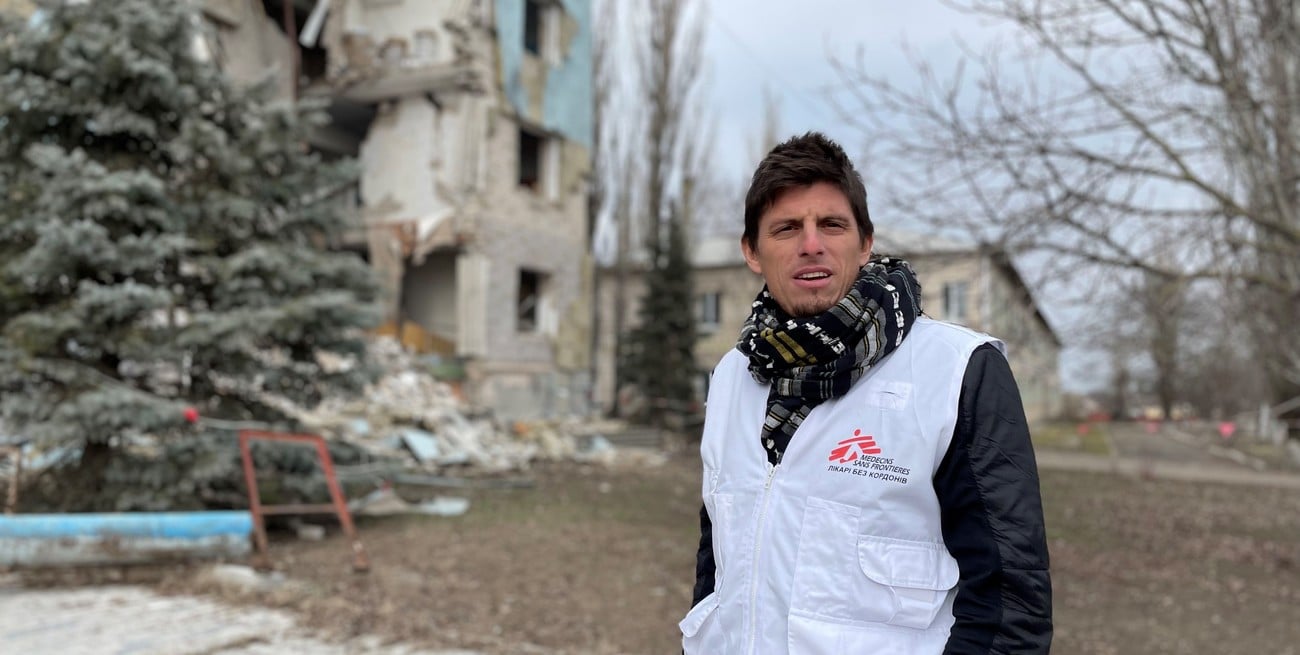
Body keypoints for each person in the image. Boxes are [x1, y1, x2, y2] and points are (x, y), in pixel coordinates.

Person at [679, 132, 1052, 653]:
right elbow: (718, 560)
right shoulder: (731, 376)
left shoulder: (956, 371)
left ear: (865, 242)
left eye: (832, 224)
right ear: (752, 252)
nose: (812, 244)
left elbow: (1010, 602)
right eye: (787, 228)